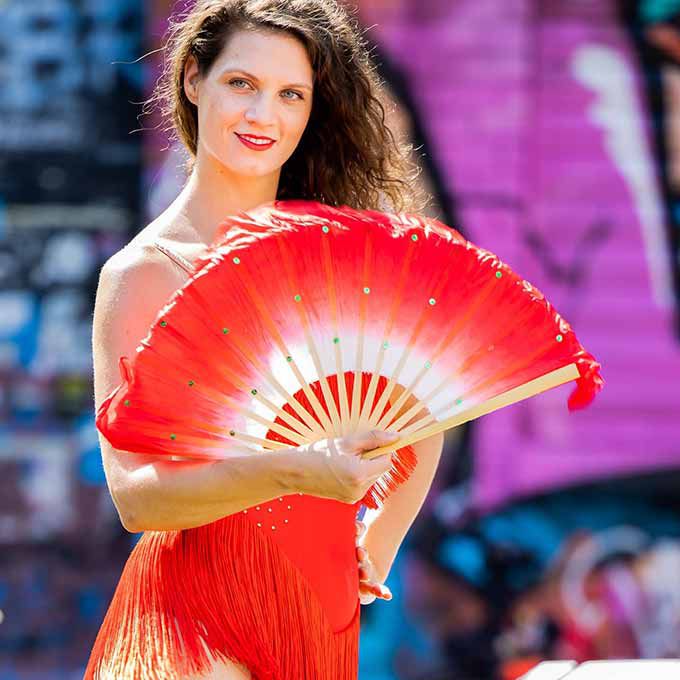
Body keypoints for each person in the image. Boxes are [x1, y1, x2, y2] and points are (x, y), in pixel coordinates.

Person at [86, 1, 444, 678]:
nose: (262, 115)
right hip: (190, 617)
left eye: (290, 95)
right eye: (241, 83)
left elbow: (424, 419)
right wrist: (296, 470)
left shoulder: (340, 262)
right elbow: (136, 498)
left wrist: (376, 546)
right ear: (194, 80)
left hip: (314, 612)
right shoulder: (144, 274)